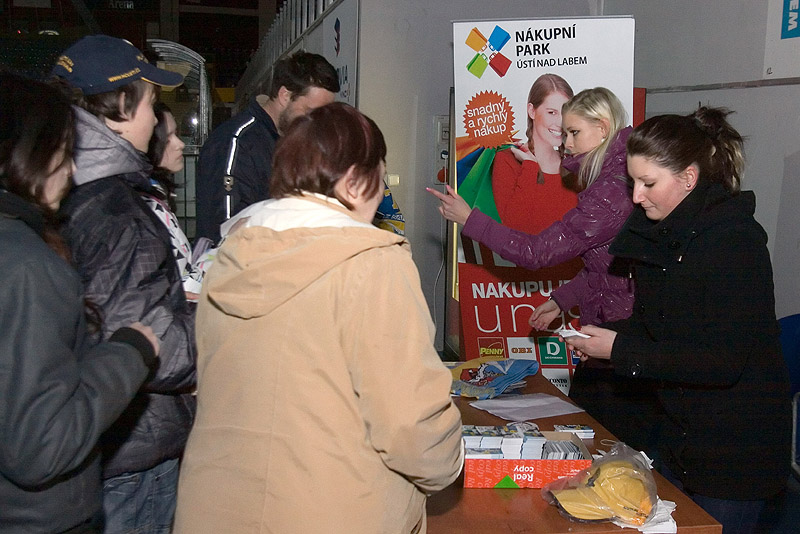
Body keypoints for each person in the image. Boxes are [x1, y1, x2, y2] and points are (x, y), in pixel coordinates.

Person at [173, 102, 464, 534]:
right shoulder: (372, 264)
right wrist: (450, 463)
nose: (382, 195)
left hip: (218, 507)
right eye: (380, 179)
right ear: (352, 182)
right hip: (332, 509)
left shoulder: (231, 255)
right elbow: (409, 423)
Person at [564, 106, 791, 534]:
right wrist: (607, 337)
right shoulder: (663, 233)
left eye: (648, 184)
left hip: (735, 451)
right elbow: (657, 325)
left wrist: (620, 349)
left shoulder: (733, 244)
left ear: (688, 178)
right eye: (633, 182)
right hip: (681, 436)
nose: (636, 197)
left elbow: (720, 361)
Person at [428, 88, 654, 450]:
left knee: (605, 446)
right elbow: (607, 267)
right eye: (564, 132)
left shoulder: (610, 192)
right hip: (615, 332)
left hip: (623, 338)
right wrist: (561, 299)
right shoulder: (608, 179)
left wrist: (470, 220)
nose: (566, 143)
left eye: (574, 132)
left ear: (603, 128)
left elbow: (537, 251)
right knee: (591, 438)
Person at [0, 72, 159, 534]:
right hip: (38, 519)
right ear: (31, 152)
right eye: (65, 152)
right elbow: (42, 444)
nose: (71, 171)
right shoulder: (28, 267)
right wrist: (130, 351)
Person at [51, 35, 197, 533]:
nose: (156, 120)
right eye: (152, 103)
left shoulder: (70, 185)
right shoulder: (111, 208)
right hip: (133, 454)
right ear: (121, 105)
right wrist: (218, 323)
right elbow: (144, 341)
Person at [194, 50, 339, 242]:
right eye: (310, 112)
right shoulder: (236, 142)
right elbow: (226, 232)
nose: (316, 122)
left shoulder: (292, 139)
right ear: (285, 95)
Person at [491, 73, 579, 234]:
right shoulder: (507, 160)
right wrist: (530, 166)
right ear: (532, 111)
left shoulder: (575, 164)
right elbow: (513, 226)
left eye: (565, 113)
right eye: (551, 112)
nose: (560, 122)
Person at [145, 102, 202, 299]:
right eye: (168, 138)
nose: (180, 144)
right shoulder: (148, 206)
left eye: (176, 134)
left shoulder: (158, 197)